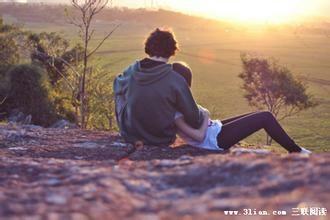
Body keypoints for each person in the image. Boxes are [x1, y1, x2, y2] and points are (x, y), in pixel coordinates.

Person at [172, 62, 312, 154]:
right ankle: (297, 151)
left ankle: (297, 150)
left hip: (215, 128)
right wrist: (207, 115)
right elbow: (199, 136)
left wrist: (207, 118)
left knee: (259, 114)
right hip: (215, 140)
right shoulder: (176, 113)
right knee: (265, 117)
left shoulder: (180, 102)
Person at [113, 28, 204, 146]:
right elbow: (194, 119)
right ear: (172, 50)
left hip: (131, 136)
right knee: (175, 100)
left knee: (121, 90)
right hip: (162, 139)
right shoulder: (176, 79)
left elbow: (116, 86)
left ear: (148, 47)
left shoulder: (131, 71)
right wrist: (203, 114)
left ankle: (131, 126)